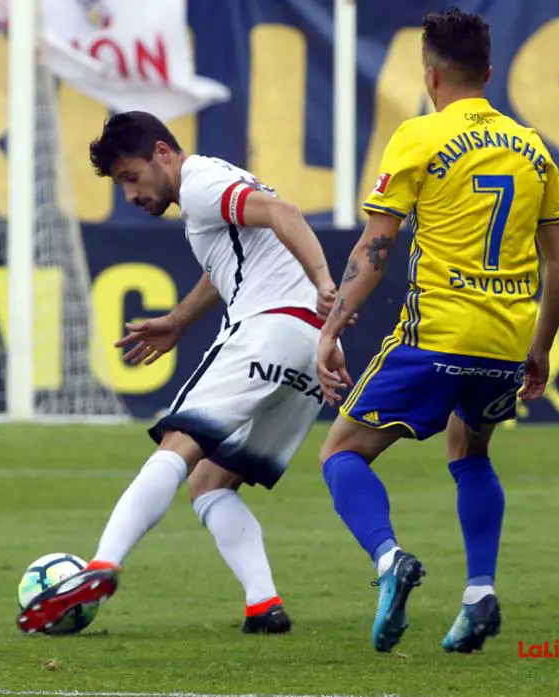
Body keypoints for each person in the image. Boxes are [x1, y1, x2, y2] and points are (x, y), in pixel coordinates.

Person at [313, 6, 559, 655]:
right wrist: (538, 349)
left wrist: (332, 327)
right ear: (489, 71)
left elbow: (376, 247)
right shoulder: (534, 147)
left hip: (435, 335)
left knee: (341, 452)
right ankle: (479, 592)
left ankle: (388, 558)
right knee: (470, 453)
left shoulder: (420, 136)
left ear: (429, 74)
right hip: (505, 344)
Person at [18, 111, 342, 636]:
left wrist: (327, 284)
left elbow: (284, 213)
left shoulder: (200, 186)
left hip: (271, 327)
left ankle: (101, 564)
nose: (130, 194)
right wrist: (177, 321)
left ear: (163, 154)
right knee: (210, 482)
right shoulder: (212, 193)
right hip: (310, 351)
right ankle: (264, 604)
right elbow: (228, 265)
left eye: (130, 177)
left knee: (177, 443)